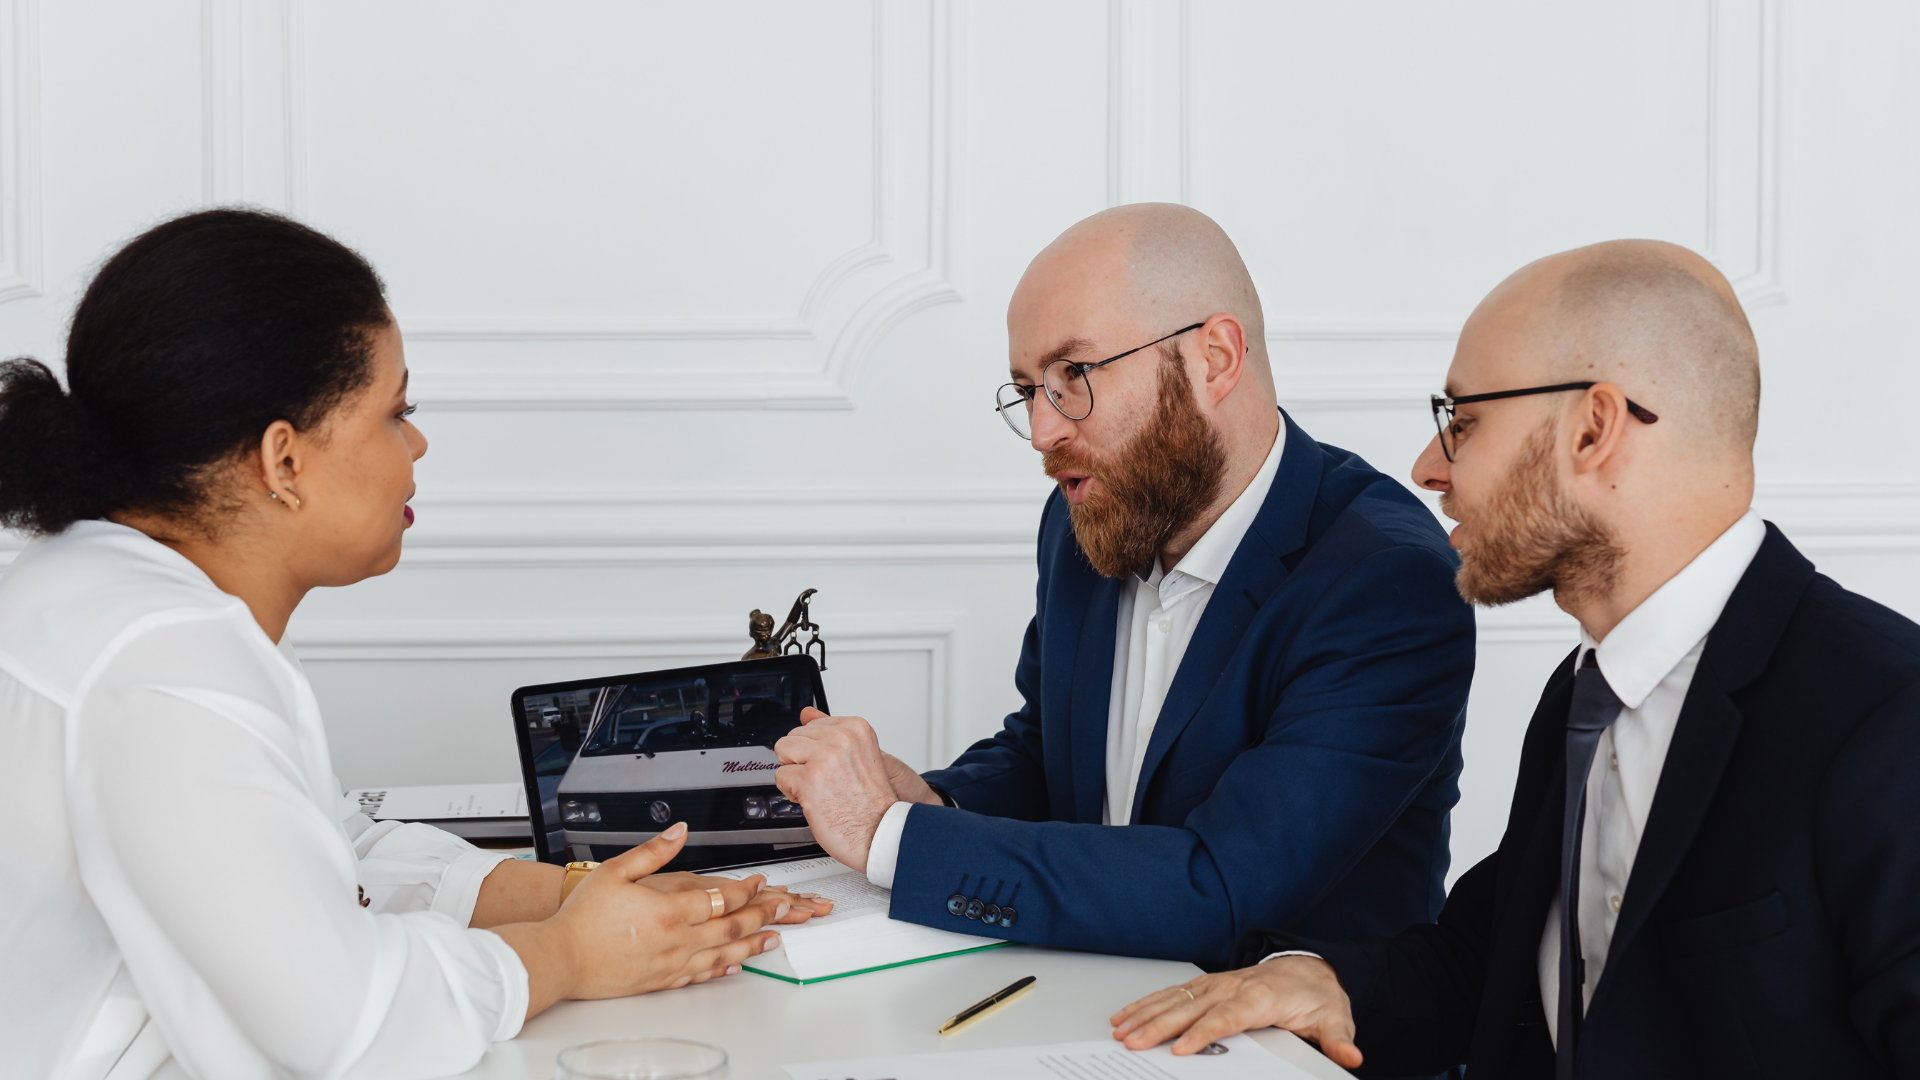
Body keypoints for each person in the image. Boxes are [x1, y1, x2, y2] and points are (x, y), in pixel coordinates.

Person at [0, 209, 830, 1080]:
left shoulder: (85, 589)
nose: (419, 443)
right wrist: (570, 957)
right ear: (283, 461)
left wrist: (584, 895)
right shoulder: (163, 661)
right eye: (396, 412)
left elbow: (327, 846)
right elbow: (346, 1025)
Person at [1111, 240, 1920, 1077]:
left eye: (1462, 423)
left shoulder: (1887, 723)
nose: (1428, 468)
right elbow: (1497, 963)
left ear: (1594, 429)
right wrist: (1326, 984)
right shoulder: (1582, 697)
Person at [773, 203, 1476, 969]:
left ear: (1215, 358)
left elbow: (1224, 889)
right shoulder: (1088, 510)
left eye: (1073, 375)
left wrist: (892, 837)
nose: (1043, 432)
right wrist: (936, 804)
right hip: (1089, 1001)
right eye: (1028, 390)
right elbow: (1048, 752)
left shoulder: (1387, 583)